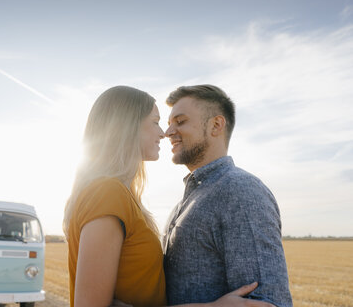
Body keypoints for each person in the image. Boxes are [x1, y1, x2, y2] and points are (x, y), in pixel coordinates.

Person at [63, 85, 275, 307]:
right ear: (126, 126)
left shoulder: (121, 195)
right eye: (155, 122)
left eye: (179, 122)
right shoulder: (107, 192)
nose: (164, 132)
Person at [163, 85, 293, 307]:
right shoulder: (182, 204)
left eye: (180, 121)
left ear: (216, 125)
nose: (168, 132)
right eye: (169, 124)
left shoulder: (240, 191)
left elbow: (268, 303)